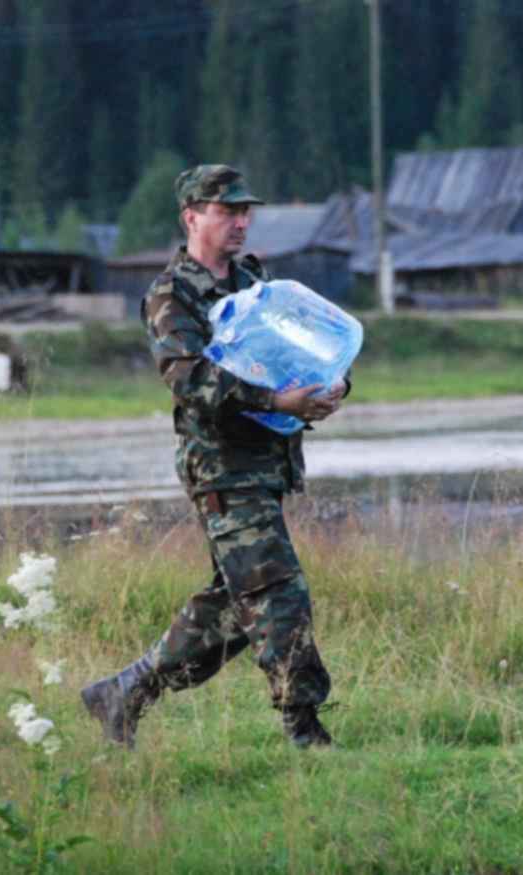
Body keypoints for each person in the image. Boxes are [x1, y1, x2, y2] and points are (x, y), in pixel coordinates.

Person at [81, 165, 348, 750]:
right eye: (227, 211)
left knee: (234, 606)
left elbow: (301, 346)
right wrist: (275, 399)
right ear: (192, 216)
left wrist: (330, 388)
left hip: (268, 462)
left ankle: (124, 692)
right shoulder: (170, 294)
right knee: (278, 591)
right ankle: (305, 730)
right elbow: (189, 379)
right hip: (221, 468)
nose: (240, 222)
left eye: (244, 211)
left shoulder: (256, 281)